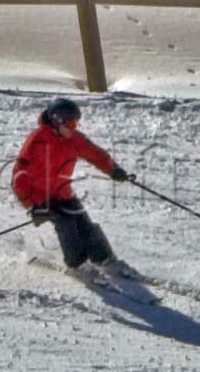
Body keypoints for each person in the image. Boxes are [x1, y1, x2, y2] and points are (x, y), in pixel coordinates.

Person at [12, 98, 136, 281]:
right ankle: (76, 264)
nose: (74, 128)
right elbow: (18, 176)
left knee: (84, 223)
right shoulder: (37, 140)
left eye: (76, 123)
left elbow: (95, 153)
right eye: (70, 123)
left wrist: (113, 170)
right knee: (66, 224)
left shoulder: (74, 139)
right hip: (40, 196)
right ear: (56, 120)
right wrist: (32, 205)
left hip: (62, 191)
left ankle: (104, 259)